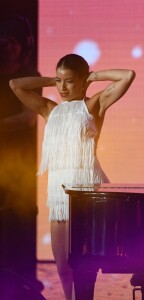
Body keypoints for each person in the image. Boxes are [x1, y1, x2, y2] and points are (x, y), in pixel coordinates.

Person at [10, 53, 136, 300]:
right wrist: (52, 80)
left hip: (85, 195)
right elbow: (16, 85)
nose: (62, 87)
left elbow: (127, 76)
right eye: (59, 81)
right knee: (63, 267)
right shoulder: (50, 110)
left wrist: (93, 77)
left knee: (83, 267)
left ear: (82, 81)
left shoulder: (92, 106)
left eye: (69, 81)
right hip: (59, 195)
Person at [0, 14, 42, 292]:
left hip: (20, 164)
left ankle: (23, 278)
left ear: (22, 45)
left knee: (20, 219)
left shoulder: (30, 77)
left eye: (11, 42)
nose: (6, 47)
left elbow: (29, 118)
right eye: (3, 42)